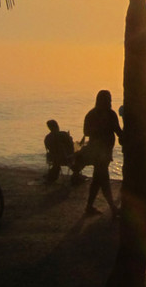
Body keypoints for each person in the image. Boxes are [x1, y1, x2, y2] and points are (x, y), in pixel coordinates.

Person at [79, 90, 121, 218]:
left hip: (106, 152)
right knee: (103, 178)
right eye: (107, 100)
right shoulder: (93, 115)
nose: (109, 102)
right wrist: (101, 128)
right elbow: (86, 131)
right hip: (97, 152)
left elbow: (118, 131)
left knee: (98, 179)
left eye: (110, 100)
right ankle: (112, 207)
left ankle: (89, 206)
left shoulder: (111, 114)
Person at [44, 118, 76, 183]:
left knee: (57, 159)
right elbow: (71, 145)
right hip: (66, 159)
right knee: (78, 154)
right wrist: (69, 137)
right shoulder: (63, 134)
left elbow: (49, 149)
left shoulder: (47, 138)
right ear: (57, 126)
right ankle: (76, 173)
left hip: (54, 159)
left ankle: (52, 175)